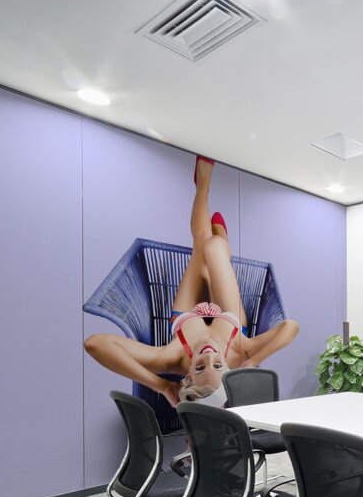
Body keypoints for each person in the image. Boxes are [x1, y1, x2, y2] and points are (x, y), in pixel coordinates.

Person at [84, 156, 299, 407]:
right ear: (230, 367)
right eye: (218, 364)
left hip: (187, 314)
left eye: (199, 367)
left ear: (186, 374)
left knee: (202, 244)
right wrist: (253, 361)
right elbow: (290, 326)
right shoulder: (242, 354)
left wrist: (162, 386)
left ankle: (203, 187)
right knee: (215, 246)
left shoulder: (172, 358)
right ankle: (222, 246)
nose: (208, 354)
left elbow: (95, 343)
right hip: (229, 316)